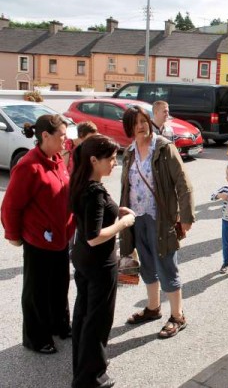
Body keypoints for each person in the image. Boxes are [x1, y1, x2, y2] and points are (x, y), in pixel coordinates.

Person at [119, 105, 195, 339]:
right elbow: (126, 187)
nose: (141, 126)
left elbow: (184, 183)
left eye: (144, 121)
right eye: (136, 123)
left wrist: (186, 216)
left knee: (166, 265)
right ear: (129, 128)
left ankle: (178, 315)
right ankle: (153, 308)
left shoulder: (163, 147)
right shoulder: (129, 152)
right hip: (136, 217)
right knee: (147, 265)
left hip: (160, 218)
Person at [1, 114, 74, 354]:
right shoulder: (28, 166)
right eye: (62, 135)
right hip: (38, 241)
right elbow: (11, 205)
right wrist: (13, 234)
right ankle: (37, 338)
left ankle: (60, 326)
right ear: (45, 136)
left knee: (59, 286)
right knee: (37, 292)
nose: (66, 139)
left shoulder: (57, 159)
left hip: (60, 239)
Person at [69, 135, 135, 388]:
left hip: (83, 260)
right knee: (97, 320)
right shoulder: (94, 190)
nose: (115, 163)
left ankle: (82, 369)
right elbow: (94, 237)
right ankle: (91, 378)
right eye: (110, 159)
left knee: (84, 315)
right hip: (99, 262)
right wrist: (123, 223)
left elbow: (89, 218)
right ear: (94, 160)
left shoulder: (80, 182)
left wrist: (114, 211)